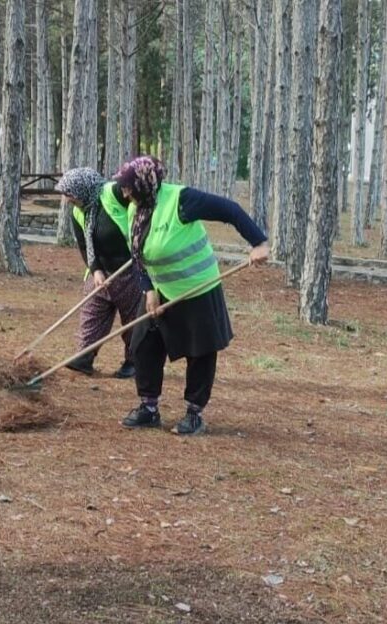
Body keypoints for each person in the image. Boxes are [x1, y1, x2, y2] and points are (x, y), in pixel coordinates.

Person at [112, 156, 270, 435]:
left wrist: (258, 242)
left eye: (128, 187)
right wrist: (148, 290)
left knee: (201, 351)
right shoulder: (136, 208)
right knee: (143, 344)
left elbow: (230, 210)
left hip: (198, 289)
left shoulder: (181, 200)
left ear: (144, 183)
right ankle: (149, 408)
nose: (124, 193)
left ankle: (194, 413)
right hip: (161, 290)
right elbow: (137, 256)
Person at [55, 167, 142, 379]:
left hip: (129, 269)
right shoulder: (78, 209)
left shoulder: (112, 194)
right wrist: (95, 270)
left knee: (133, 318)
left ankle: (134, 362)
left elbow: (141, 206)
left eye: (69, 194)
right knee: (92, 314)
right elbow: (85, 246)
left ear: (82, 188)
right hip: (100, 272)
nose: (67, 200)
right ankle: (84, 357)